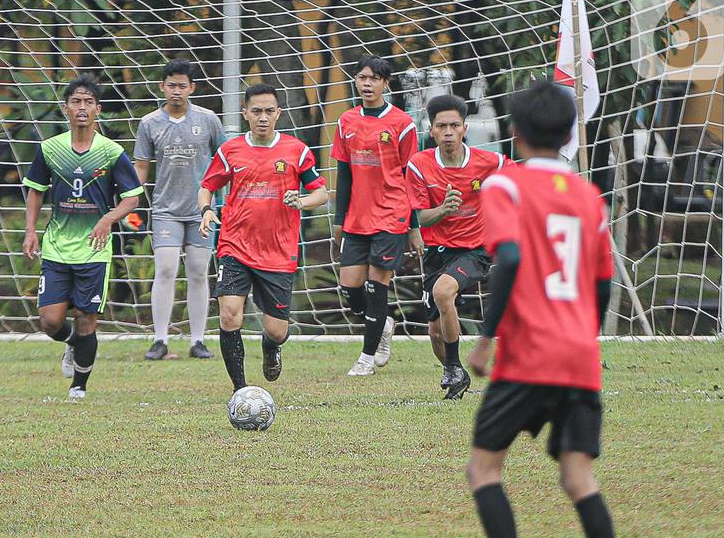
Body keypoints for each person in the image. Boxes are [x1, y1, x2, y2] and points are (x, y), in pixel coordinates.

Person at [460, 81, 639, 538]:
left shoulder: (505, 188)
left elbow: (509, 257)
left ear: (515, 131)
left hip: (529, 354)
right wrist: (582, 335)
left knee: (484, 469)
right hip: (578, 353)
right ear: (567, 135)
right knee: (578, 476)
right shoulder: (589, 196)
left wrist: (487, 337)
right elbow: (603, 285)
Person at [198, 83, 328, 392]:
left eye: (269, 111)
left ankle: (271, 347)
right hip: (235, 246)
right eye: (256, 111)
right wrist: (206, 210)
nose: (263, 117)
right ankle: (240, 391)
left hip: (278, 252)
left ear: (279, 113)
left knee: (277, 330)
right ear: (245, 114)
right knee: (229, 316)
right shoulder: (230, 151)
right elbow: (208, 185)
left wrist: (303, 201)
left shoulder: (296, 150)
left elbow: (321, 193)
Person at [22, 75, 144, 400]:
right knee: (50, 321)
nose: (82, 108)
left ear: (98, 110)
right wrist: (31, 230)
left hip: (94, 251)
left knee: (86, 318)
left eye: (88, 102)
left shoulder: (111, 152)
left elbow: (132, 198)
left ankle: (79, 387)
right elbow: (35, 191)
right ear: (65, 109)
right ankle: (72, 343)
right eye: (76, 101)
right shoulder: (49, 150)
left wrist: (108, 217)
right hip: (57, 248)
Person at [409, 94, 508, 399]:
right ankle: (457, 373)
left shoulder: (490, 162)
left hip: (475, 250)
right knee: (436, 333)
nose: (448, 131)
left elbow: (520, 181)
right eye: (442, 126)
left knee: (442, 292)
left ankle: (452, 367)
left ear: (464, 128)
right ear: (432, 130)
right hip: (438, 252)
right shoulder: (419, 165)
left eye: (454, 125)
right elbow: (422, 218)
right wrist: (443, 209)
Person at [330, 54, 422, 377]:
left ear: (385, 83)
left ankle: (367, 358)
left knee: (376, 284)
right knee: (351, 288)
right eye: (362, 78)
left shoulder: (402, 124)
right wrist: (339, 220)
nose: (367, 84)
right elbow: (343, 175)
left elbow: (411, 177)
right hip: (357, 216)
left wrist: (413, 225)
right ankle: (382, 322)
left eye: (373, 79)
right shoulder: (346, 122)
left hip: (392, 214)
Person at [134, 59, 227, 361]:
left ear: (192, 88)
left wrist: (220, 201)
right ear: (162, 87)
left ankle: (197, 340)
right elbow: (141, 167)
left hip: (201, 210)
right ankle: (160, 339)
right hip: (165, 210)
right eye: (171, 85)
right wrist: (129, 202)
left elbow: (224, 160)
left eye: (182, 86)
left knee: (199, 272)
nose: (176, 91)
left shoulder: (208, 119)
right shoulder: (149, 123)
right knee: (165, 269)